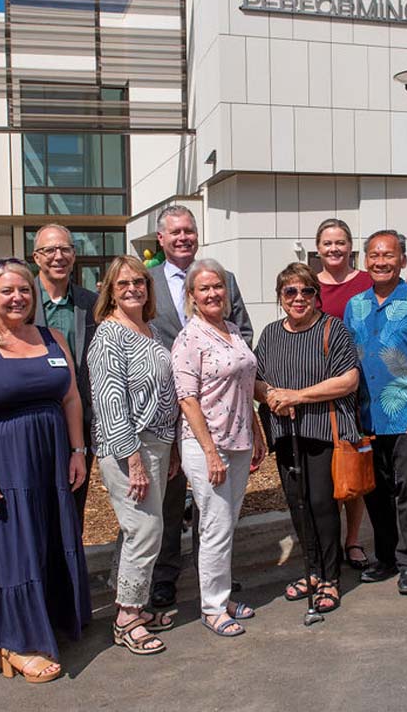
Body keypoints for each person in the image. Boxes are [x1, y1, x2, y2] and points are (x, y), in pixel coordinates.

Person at [0, 258, 91, 683]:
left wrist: (77, 450)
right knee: (11, 547)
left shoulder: (52, 337)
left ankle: (49, 619)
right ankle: (15, 642)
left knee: (46, 540)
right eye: (7, 291)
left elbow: (71, 399)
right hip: (2, 461)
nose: (17, 298)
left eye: (24, 290)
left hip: (51, 457)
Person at [148, 204, 253, 608]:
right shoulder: (150, 281)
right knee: (170, 498)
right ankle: (166, 575)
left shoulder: (223, 278)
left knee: (216, 507)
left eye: (189, 230)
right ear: (161, 238)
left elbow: (242, 330)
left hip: (219, 404)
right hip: (166, 402)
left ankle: (212, 577)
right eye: (174, 231)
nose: (182, 237)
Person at [87, 255, 180, 656]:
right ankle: (126, 617)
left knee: (137, 529)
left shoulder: (148, 329)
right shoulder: (109, 334)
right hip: (129, 447)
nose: (132, 289)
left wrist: (171, 445)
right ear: (110, 288)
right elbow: (110, 403)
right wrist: (134, 459)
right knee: (145, 530)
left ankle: (134, 604)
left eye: (139, 282)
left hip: (157, 443)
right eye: (123, 283)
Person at [254, 262, 359, 614]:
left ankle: (331, 576)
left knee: (321, 505)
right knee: (298, 505)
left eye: (306, 291)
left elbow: (348, 380)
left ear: (317, 295)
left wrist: (297, 396)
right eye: (290, 292)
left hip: (322, 432)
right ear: (280, 297)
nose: (299, 298)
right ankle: (312, 569)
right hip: (285, 433)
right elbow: (256, 379)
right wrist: (271, 395)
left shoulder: (333, 329)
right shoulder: (270, 334)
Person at [171, 258, 265, 636]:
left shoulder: (231, 330)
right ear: (192, 296)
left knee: (226, 524)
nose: (212, 293)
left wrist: (256, 430)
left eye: (218, 287)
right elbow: (187, 398)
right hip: (206, 443)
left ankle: (221, 596)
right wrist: (210, 451)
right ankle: (211, 607)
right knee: (213, 525)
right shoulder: (188, 338)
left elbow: (245, 384)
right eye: (204, 288)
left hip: (239, 438)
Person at [343, 230, 407, 596]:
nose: (380, 261)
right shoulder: (356, 305)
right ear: (365, 260)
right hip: (366, 416)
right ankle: (385, 556)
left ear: (402, 259)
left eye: (389, 255)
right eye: (374, 255)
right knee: (376, 491)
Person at [314, 217, 374, 571]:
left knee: (355, 463)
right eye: (327, 243)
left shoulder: (367, 282)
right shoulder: (308, 286)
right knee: (328, 468)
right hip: (323, 387)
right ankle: (329, 542)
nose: (334, 249)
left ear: (350, 246)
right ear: (318, 248)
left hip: (361, 386)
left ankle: (353, 540)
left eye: (340, 243)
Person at [31, 223, 99, 521]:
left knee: (74, 508)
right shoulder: (20, 300)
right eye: (49, 250)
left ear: (74, 255)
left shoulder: (91, 304)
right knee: (35, 506)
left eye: (65, 249)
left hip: (80, 421)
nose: (58, 256)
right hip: (33, 421)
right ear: (36, 257)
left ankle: (70, 566)